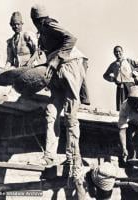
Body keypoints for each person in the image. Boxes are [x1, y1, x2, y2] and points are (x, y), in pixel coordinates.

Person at [30, 4, 88, 179]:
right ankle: (49, 156)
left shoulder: (48, 24)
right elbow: (43, 54)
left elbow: (71, 38)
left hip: (70, 65)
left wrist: (57, 59)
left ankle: (72, 158)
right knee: (51, 111)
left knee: (70, 114)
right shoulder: (42, 32)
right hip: (57, 69)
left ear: (36, 20)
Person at [103, 45, 138, 111]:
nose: (118, 53)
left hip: (130, 86)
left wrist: (135, 73)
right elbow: (105, 75)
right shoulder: (113, 65)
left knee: (133, 104)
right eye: (116, 52)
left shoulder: (128, 61)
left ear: (122, 52)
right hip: (120, 87)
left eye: (119, 51)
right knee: (122, 107)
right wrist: (114, 79)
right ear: (114, 53)